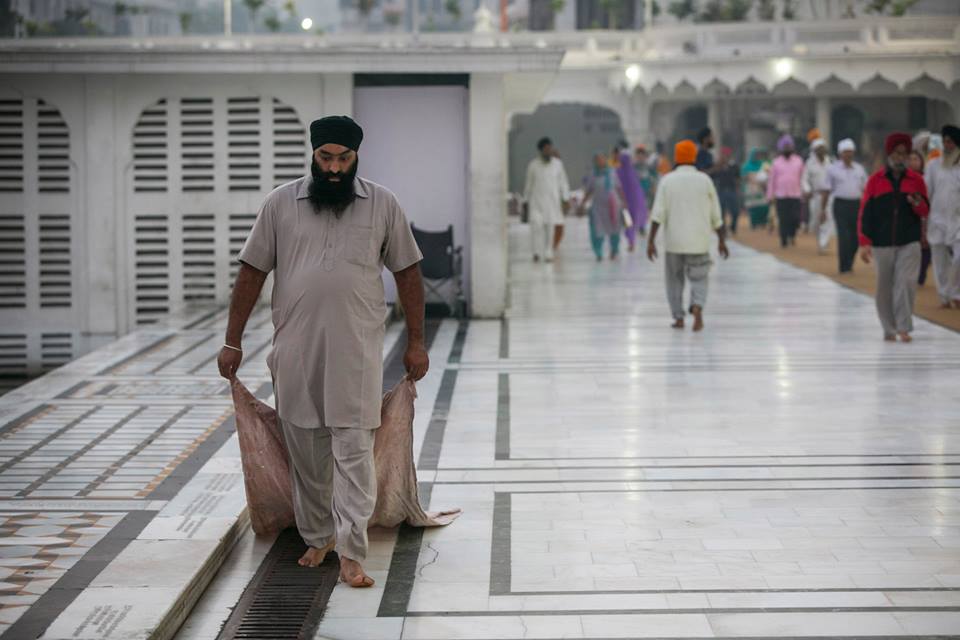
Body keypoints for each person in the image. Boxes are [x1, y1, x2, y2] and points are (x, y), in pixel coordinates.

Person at [218, 115, 429, 587]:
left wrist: (416, 341)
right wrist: (232, 341)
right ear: (313, 155)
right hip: (294, 347)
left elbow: (408, 273)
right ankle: (318, 536)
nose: (334, 168)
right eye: (325, 158)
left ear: (357, 157)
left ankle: (352, 550)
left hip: (357, 349)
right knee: (306, 450)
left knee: (353, 446)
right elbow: (252, 272)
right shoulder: (280, 204)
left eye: (343, 159)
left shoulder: (382, 204)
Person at [647, 140, 729, 332]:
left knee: (674, 280)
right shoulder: (705, 180)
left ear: (677, 157)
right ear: (693, 157)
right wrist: (722, 241)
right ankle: (698, 307)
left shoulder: (667, 181)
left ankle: (678, 317)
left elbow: (658, 213)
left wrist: (651, 241)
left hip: (674, 242)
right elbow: (716, 215)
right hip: (699, 241)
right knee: (700, 277)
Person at [858, 132, 930, 342]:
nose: (901, 158)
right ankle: (888, 328)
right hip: (882, 243)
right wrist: (864, 242)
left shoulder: (916, 180)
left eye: (905, 154)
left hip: (909, 241)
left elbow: (925, 211)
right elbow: (865, 212)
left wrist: (917, 203)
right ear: (890, 154)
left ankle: (903, 327)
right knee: (884, 286)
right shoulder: (875, 181)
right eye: (898, 153)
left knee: (906, 283)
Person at [924, 124, 960, 308]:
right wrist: (923, 219)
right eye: (945, 141)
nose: (947, 145)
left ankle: (955, 292)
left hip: (958, 220)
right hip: (936, 219)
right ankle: (944, 295)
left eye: (951, 142)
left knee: (958, 258)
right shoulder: (933, 165)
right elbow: (926, 193)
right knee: (939, 261)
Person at [523, 137, 571, 262]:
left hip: (552, 202)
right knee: (536, 227)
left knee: (550, 227)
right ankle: (536, 252)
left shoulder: (558, 165)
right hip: (536, 203)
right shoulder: (533, 165)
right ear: (541, 150)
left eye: (550, 148)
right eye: (546, 149)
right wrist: (525, 201)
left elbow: (563, 183)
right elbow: (528, 185)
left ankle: (549, 252)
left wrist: (566, 198)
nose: (549, 151)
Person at [827, 138, 868, 274]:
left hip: (856, 205)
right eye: (845, 152)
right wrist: (823, 208)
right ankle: (843, 266)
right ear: (840, 154)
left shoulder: (860, 169)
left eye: (850, 152)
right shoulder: (832, 169)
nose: (848, 155)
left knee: (855, 237)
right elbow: (827, 189)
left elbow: (865, 188)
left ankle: (849, 261)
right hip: (840, 205)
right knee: (843, 236)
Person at [582, 153, 625, 261]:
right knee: (597, 230)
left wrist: (624, 201)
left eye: (602, 159)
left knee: (615, 229)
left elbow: (619, 188)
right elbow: (589, 190)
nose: (600, 162)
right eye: (598, 160)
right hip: (598, 207)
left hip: (613, 207)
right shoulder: (593, 174)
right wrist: (582, 204)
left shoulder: (612, 172)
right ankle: (598, 252)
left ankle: (614, 250)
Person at [767, 134, 805, 248]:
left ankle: (792, 235)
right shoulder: (776, 162)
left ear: (792, 148)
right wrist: (770, 195)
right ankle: (783, 239)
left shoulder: (799, 161)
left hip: (795, 194)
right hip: (781, 195)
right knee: (783, 218)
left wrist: (805, 191)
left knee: (795, 218)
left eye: (789, 146)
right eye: (785, 147)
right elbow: (772, 180)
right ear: (781, 148)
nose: (787, 149)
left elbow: (803, 178)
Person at [613, 141, 648, 251]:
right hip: (633, 203)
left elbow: (618, 187)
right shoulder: (632, 172)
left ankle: (631, 241)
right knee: (631, 222)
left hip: (626, 203)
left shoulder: (619, 172)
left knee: (629, 223)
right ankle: (631, 241)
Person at [909, 150, 932, 286]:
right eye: (910, 159)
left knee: (925, 247)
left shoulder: (927, 178)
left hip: (925, 217)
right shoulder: (903, 178)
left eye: (916, 159)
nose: (913, 162)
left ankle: (921, 274)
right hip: (908, 217)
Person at [713, 146, 741, 234]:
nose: (725, 157)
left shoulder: (734, 166)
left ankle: (733, 226)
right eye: (723, 155)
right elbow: (714, 177)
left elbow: (738, 178)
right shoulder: (718, 166)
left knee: (735, 211)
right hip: (721, 191)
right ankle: (724, 230)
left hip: (732, 190)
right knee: (722, 212)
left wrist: (738, 189)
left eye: (726, 155)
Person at [741, 148, 770, 229]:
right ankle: (754, 223)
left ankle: (763, 222)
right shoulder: (746, 166)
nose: (756, 157)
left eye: (757, 155)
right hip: (751, 189)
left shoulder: (762, 165)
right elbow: (743, 176)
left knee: (763, 206)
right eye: (755, 155)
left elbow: (767, 173)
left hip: (761, 188)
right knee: (753, 207)